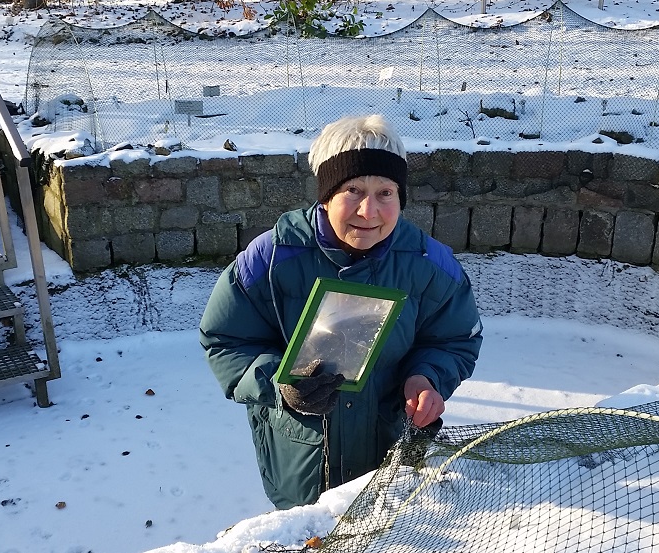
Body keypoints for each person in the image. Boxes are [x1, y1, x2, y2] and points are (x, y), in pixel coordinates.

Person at [199, 114, 483, 509]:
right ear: (326, 195)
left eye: (385, 192)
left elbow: (454, 340)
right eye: (353, 190)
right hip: (301, 460)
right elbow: (226, 341)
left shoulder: (430, 265)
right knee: (310, 531)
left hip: (389, 456)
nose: (369, 211)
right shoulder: (271, 259)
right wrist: (280, 385)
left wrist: (426, 378)